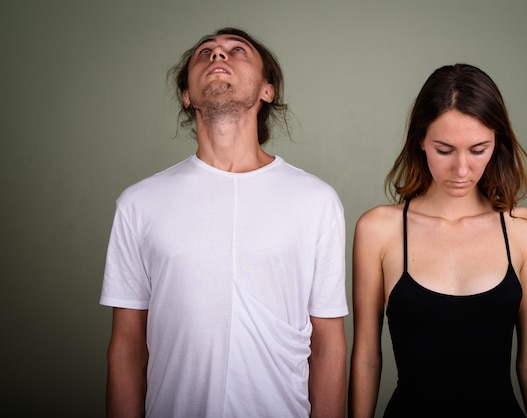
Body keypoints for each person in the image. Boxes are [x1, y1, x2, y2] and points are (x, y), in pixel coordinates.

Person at [100, 27, 348, 418]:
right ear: (187, 95)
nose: (218, 56)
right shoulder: (139, 204)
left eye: (237, 51)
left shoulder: (316, 201)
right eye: (205, 53)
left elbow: (329, 344)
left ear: (267, 90)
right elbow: (127, 348)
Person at [348, 63, 527, 417]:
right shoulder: (378, 229)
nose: (461, 170)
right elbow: (367, 356)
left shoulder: (525, 230)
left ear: (497, 143)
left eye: (478, 150)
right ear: (421, 142)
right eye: (444, 150)